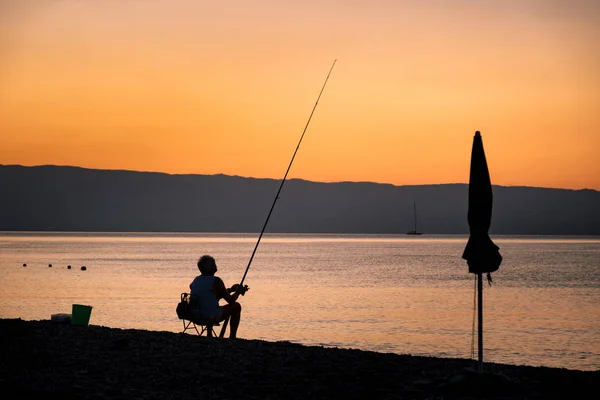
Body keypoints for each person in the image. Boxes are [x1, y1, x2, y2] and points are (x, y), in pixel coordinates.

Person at [189, 255, 246, 338]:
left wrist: (229, 290)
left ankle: (209, 333)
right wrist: (238, 292)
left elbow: (210, 296)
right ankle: (232, 337)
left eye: (214, 263)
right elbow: (231, 301)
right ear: (205, 267)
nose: (214, 265)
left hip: (196, 316)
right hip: (210, 316)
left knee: (210, 305)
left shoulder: (196, 280)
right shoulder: (216, 280)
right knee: (236, 306)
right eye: (211, 264)